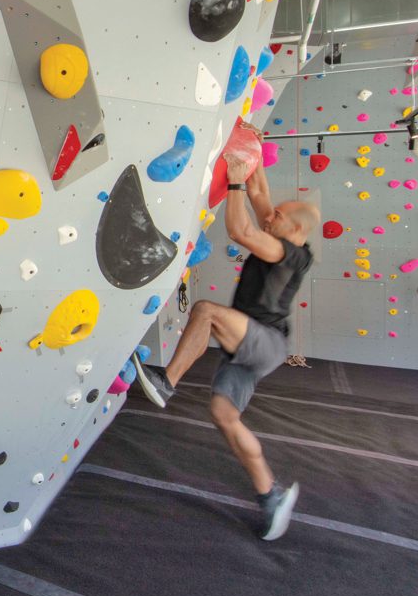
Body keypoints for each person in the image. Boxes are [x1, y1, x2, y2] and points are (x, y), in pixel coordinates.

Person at [133, 120, 318, 541]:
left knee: (206, 311)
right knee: (224, 416)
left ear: (297, 230)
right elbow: (258, 194)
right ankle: (270, 494)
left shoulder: (288, 252)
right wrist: (254, 147)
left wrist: (233, 184)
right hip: (254, 347)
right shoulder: (281, 232)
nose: (272, 214)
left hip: (265, 341)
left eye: (281, 216)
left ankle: (167, 381)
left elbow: (241, 229)